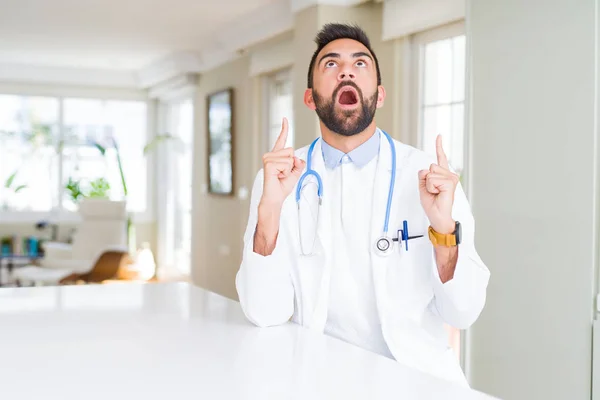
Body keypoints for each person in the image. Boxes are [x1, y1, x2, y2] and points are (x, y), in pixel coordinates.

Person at [235, 23, 490, 386]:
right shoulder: (279, 179)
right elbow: (264, 312)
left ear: (379, 95)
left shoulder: (430, 178)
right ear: (310, 98)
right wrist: (270, 212)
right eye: (330, 64)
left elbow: (463, 312)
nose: (346, 71)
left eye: (360, 64)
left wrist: (443, 231)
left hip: (413, 377)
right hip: (316, 376)